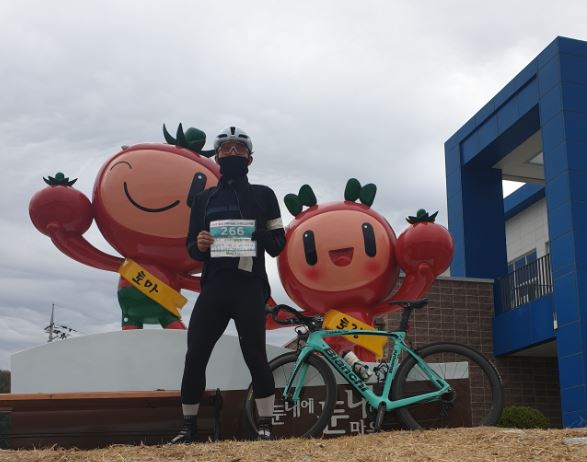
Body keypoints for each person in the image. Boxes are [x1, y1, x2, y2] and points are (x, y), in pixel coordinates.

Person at [171, 126, 286, 443]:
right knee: (195, 354)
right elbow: (192, 247)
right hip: (215, 287)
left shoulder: (264, 195)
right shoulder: (204, 199)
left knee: (255, 355)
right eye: (226, 148)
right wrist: (200, 245)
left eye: (239, 148)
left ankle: (265, 425)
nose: (233, 152)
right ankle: (188, 427)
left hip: (249, 286)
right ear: (217, 156)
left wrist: (256, 232)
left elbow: (278, 244)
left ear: (250, 157)